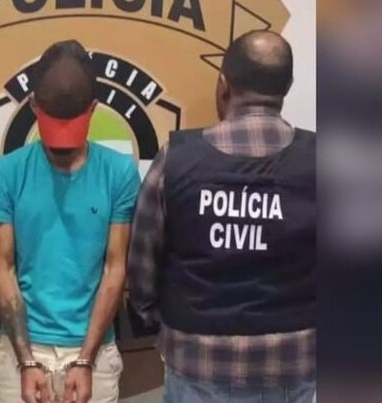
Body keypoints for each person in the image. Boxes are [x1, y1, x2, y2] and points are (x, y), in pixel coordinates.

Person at [127, 30, 316, 403]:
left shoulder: (176, 158)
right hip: (293, 362)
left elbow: (142, 266)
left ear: (223, 85)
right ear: (287, 86)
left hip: (197, 361)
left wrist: (157, 324)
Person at [0, 40, 140, 403]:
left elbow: (115, 268)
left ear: (93, 109)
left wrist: (85, 359)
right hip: (23, 352)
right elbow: (3, 268)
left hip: (95, 351)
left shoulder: (119, 173)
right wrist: (26, 362)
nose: (62, 148)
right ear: (33, 106)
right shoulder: (5, 175)